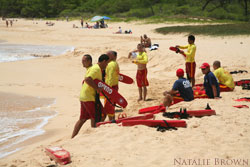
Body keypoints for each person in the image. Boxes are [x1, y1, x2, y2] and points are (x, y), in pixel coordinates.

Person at [72, 54, 109, 138]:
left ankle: (73, 137)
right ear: (104, 61)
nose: (107, 66)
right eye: (106, 64)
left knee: (82, 119)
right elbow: (87, 79)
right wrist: (97, 88)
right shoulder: (96, 69)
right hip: (89, 97)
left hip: (84, 96)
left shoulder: (92, 68)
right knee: (99, 115)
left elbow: (85, 80)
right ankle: (94, 134)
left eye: (83, 61)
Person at [103, 51, 120, 121]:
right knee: (112, 104)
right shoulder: (115, 63)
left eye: (108, 55)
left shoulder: (111, 65)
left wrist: (108, 89)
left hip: (111, 87)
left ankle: (110, 120)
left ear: (112, 56)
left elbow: (110, 77)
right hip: (115, 86)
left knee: (108, 105)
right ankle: (112, 119)